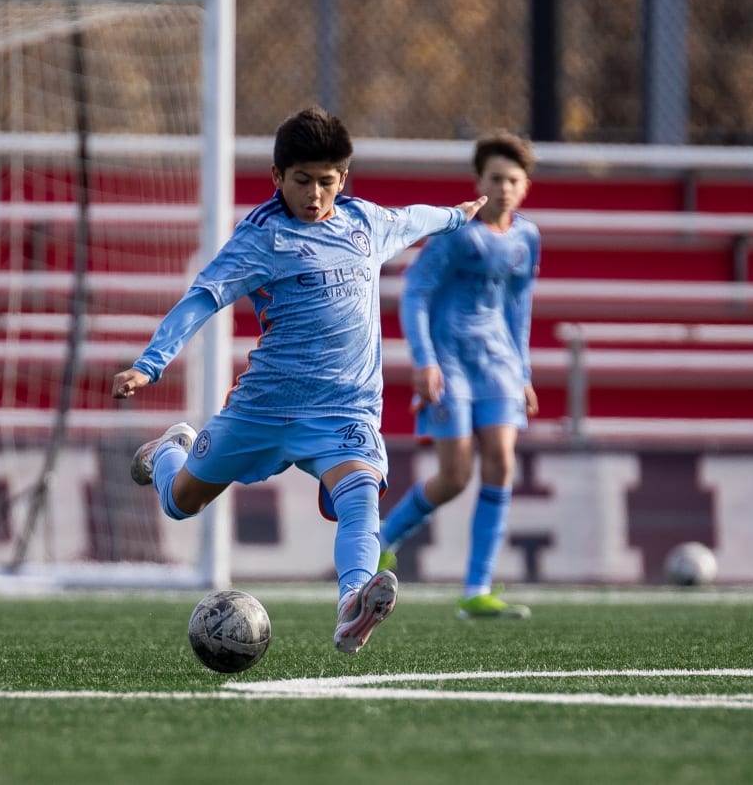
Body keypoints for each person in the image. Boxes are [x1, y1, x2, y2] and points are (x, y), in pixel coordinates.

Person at [112, 107, 487, 654]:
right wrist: (150, 363)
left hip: (344, 410)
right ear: (277, 178)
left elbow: (413, 219)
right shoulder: (262, 237)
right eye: (301, 181)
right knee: (182, 501)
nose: (314, 194)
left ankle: (354, 601)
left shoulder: (364, 223)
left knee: (361, 493)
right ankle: (170, 451)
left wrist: (456, 216)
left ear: (344, 177)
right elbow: (203, 298)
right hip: (262, 408)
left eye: (326, 181)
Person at [377, 131, 540, 620]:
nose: (505, 187)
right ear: (480, 182)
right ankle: (384, 539)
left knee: (503, 463)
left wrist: (524, 371)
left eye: (513, 179)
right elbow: (416, 292)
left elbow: (518, 305)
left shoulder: (527, 237)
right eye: (496, 178)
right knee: (455, 475)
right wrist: (424, 360)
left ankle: (476, 588)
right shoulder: (456, 235)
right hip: (450, 364)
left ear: (526, 185)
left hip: (499, 365)